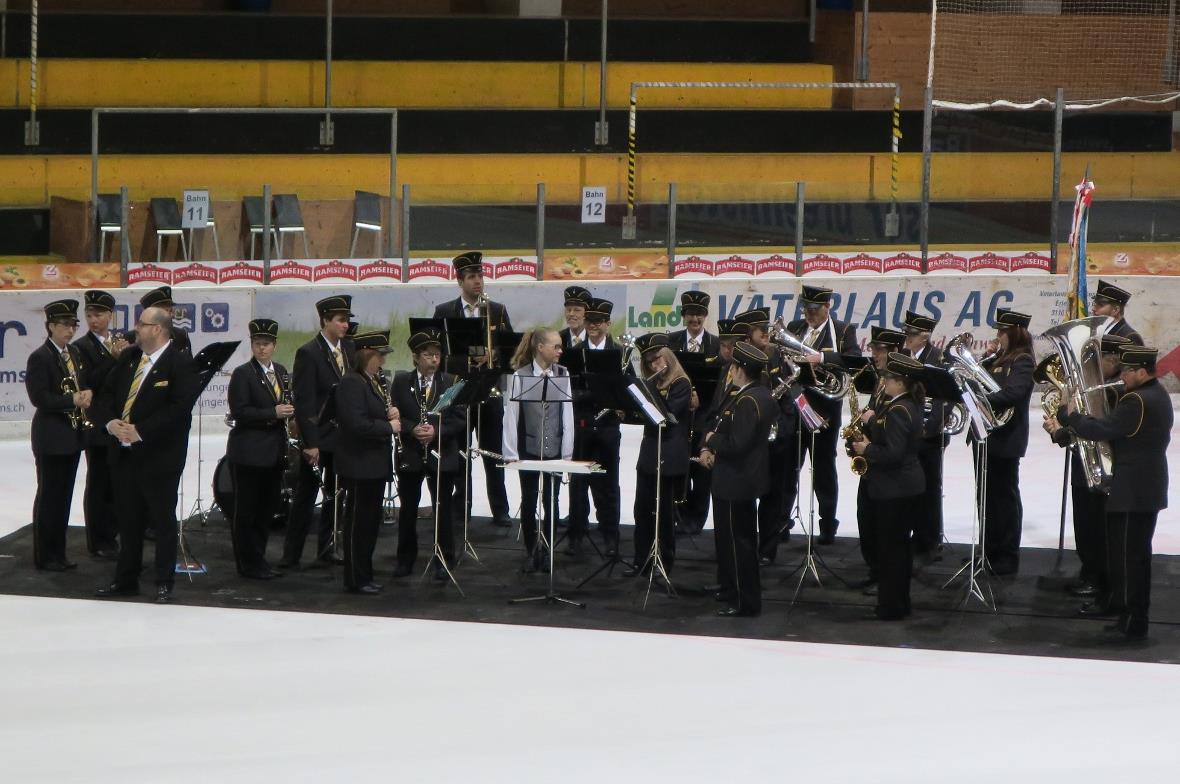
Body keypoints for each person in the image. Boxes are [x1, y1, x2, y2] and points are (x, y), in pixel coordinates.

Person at [1055, 345, 1171, 640]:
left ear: (1142, 371)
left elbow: (1101, 429)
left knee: (1129, 557)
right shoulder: (1157, 394)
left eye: (1128, 371)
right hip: (1145, 485)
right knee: (1135, 555)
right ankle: (1127, 612)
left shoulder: (1136, 400)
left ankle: (1132, 620)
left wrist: (1070, 416)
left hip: (1134, 489)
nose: (1122, 377)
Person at [94, 305, 200, 604]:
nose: (135, 328)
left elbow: (179, 410)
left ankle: (164, 581)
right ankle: (125, 579)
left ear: (157, 329)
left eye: (141, 324)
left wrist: (141, 430)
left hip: (159, 458)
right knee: (128, 520)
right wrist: (111, 423)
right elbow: (104, 396)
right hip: (124, 455)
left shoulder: (180, 364)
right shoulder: (128, 358)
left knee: (162, 520)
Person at [1042, 334, 1128, 601]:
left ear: (1113, 360)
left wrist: (1066, 416)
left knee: (1095, 528)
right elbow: (1083, 428)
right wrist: (1060, 432)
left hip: (1106, 469)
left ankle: (1098, 578)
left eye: (1097, 359)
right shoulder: (1101, 387)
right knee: (1084, 524)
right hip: (1086, 464)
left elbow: (1096, 427)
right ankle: (1091, 573)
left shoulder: (1116, 391)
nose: (1092, 366)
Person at [697, 342, 775, 617]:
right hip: (738, 478)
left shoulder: (748, 400)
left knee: (739, 543)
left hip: (737, 480)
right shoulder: (755, 393)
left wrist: (711, 440)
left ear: (740, 369)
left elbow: (737, 443)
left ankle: (745, 601)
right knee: (734, 540)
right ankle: (732, 589)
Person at [849, 353, 926, 621]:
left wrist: (866, 448)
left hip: (896, 489)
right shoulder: (905, 405)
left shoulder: (899, 410)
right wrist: (870, 423)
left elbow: (893, 453)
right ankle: (897, 603)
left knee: (892, 550)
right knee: (898, 549)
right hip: (903, 487)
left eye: (888, 379)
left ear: (900, 383)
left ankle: (891, 606)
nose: (884, 382)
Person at [782, 284, 861, 544]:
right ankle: (781, 522)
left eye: (815, 309)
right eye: (806, 308)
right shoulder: (795, 328)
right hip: (794, 410)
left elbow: (853, 360)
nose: (809, 314)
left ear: (828, 307)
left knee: (823, 470)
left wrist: (822, 359)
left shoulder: (843, 330)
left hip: (825, 412)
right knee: (788, 468)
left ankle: (828, 525)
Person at [281, 295, 354, 569]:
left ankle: (327, 547)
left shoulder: (348, 349)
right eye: (340, 320)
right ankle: (291, 554)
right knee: (306, 496)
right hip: (318, 438)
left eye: (347, 320)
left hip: (341, 438)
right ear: (325, 321)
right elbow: (304, 401)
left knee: (336, 496)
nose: (345, 325)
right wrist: (310, 442)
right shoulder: (308, 352)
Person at [392, 329, 465, 581]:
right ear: (415, 357)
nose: (434, 359)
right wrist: (412, 428)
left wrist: (436, 431)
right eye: (428, 355)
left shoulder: (452, 381)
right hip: (411, 454)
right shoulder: (401, 381)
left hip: (441, 454)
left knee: (442, 510)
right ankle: (405, 560)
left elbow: (460, 420)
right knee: (408, 510)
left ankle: (443, 559)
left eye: (437, 355)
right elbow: (395, 414)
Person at [25, 299, 91, 571]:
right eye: (64, 324)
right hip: (51, 436)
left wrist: (85, 394)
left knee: (63, 497)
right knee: (49, 496)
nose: (70, 330)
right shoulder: (40, 357)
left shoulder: (73, 352)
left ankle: (59, 551)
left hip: (71, 436)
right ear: (50, 326)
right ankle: (45, 554)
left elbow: (78, 384)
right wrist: (71, 400)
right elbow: (39, 397)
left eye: (73, 324)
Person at [224, 318, 292, 580]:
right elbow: (240, 411)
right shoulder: (243, 374)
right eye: (257, 344)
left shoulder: (282, 371)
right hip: (249, 452)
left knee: (266, 509)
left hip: (274, 452)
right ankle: (247, 562)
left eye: (266, 344)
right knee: (247, 510)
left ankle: (259, 557)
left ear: (274, 346)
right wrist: (272, 413)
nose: (261, 349)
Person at [502, 329, 574, 573]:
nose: (560, 351)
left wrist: (567, 453)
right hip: (529, 449)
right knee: (530, 499)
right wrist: (511, 452)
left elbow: (568, 414)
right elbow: (511, 417)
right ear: (540, 347)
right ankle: (531, 549)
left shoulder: (563, 374)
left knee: (551, 501)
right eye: (556, 346)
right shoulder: (520, 376)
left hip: (554, 448)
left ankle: (548, 550)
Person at [333, 331, 399, 594]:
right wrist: (388, 426)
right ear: (366, 355)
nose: (382, 361)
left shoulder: (371, 381)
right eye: (379, 356)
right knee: (358, 523)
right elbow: (355, 424)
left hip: (373, 464)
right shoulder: (352, 383)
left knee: (369, 523)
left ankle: (365, 574)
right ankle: (355, 577)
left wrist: (388, 412)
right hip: (359, 464)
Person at [734, 307, 800, 565]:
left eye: (765, 329)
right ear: (747, 336)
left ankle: (767, 550)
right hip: (747, 442)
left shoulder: (778, 359)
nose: (767, 334)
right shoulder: (737, 364)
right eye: (760, 330)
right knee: (745, 497)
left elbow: (790, 401)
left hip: (775, 442)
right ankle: (745, 548)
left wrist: (782, 430)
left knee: (773, 497)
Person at [974, 308, 1035, 575]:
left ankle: (1007, 553)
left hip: (1006, 438)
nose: (997, 336)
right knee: (985, 497)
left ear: (1014, 333)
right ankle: (989, 548)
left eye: (1001, 332)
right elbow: (975, 380)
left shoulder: (1022, 360)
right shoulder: (998, 358)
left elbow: (1015, 393)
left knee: (1004, 498)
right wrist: (986, 358)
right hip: (985, 435)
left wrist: (979, 400)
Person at [625, 334, 692, 577]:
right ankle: (640, 560)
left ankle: (664, 560)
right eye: (650, 362)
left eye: (658, 359)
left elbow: (668, 416)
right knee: (641, 509)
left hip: (669, 453)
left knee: (663, 512)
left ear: (669, 357)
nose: (655, 365)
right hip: (649, 452)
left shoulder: (681, 383)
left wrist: (647, 395)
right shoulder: (650, 384)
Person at [71, 289, 126, 559]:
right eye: (90, 315)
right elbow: (88, 381)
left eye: (99, 314)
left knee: (116, 481)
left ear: (110, 315)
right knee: (98, 482)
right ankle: (99, 538)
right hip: (97, 423)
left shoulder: (117, 342)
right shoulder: (81, 347)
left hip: (118, 421)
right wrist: (115, 359)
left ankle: (113, 532)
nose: (94, 320)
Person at [566, 298, 622, 557]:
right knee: (578, 482)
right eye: (590, 321)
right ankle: (576, 535)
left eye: (598, 321)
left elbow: (627, 388)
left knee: (608, 484)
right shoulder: (575, 353)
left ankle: (610, 536)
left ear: (608, 324)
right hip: (582, 426)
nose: (593, 326)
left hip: (608, 428)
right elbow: (569, 389)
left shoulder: (620, 352)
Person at [852, 326, 906, 595]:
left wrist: (871, 429)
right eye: (872, 349)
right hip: (871, 466)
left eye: (879, 350)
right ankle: (874, 570)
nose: (873, 355)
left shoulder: (900, 386)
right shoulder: (879, 380)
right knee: (866, 520)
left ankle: (886, 579)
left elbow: (894, 429)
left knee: (886, 529)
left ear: (894, 351)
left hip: (888, 468)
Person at [679, 318, 745, 536]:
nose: (726, 350)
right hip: (711, 433)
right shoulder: (725, 369)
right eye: (723, 345)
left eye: (731, 346)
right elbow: (715, 408)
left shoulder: (745, 372)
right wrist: (706, 443)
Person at [903, 309, 948, 558]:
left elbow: (944, 398)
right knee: (910, 485)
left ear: (925, 336)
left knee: (930, 487)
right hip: (907, 432)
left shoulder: (937, 358)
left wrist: (928, 430)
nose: (907, 337)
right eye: (906, 333)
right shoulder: (903, 356)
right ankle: (914, 534)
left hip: (929, 435)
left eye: (912, 334)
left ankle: (930, 539)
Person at [138, 286, 192, 356]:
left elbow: (188, 364)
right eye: (166, 311)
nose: (171, 315)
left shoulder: (181, 336)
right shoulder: (133, 338)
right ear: (150, 313)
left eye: (171, 311)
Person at [1090, 280, 1144, 345]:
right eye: (1095, 304)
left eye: (1100, 305)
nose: (1093, 309)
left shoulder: (1130, 337)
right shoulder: (1097, 331)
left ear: (1115, 310)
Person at [667, 291, 720, 356]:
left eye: (699, 314)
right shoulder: (671, 340)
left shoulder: (716, 343)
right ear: (683, 315)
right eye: (691, 314)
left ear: (705, 315)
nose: (695, 319)